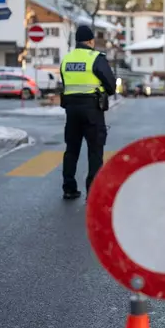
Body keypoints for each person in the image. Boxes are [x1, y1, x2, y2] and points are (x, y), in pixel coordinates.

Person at [59, 25, 116, 200]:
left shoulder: (66, 59)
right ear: (91, 41)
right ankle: (92, 191)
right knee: (95, 150)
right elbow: (111, 85)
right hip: (92, 109)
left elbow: (65, 83)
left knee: (71, 149)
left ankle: (69, 188)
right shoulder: (96, 58)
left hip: (71, 110)